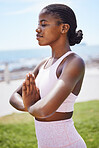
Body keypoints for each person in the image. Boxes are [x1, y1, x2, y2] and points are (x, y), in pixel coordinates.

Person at [9, 4, 87, 148]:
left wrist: (30, 104)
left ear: (64, 28)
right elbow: (14, 97)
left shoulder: (74, 62)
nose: (37, 29)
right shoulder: (43, 64)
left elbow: (44, 110)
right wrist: (31, 105)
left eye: (44, 24)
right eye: (38, 24)